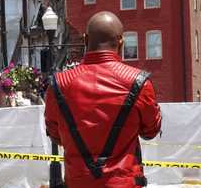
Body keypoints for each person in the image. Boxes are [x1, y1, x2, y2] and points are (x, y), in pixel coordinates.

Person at [45, 11, 162, 187]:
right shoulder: (139, 82)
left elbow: (55, 135)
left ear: (85, 40)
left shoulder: (59, 84)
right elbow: (151, 131)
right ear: (121, 43)